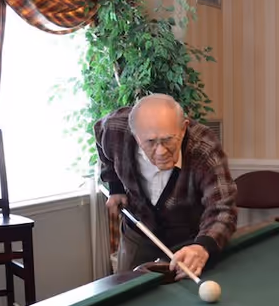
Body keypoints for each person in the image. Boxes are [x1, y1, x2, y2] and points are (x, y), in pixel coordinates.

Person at [94, 94, 238, 279]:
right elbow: (100, 137)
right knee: (126, 289)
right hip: (139, 229)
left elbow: (223, 208)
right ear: (136, 136)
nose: (161, 151)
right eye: (151, 142)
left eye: (168, 139)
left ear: (184, 128)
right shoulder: (115, 129)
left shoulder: (204, 147)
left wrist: (201, 246)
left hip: (189, 237)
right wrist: (115, 186)